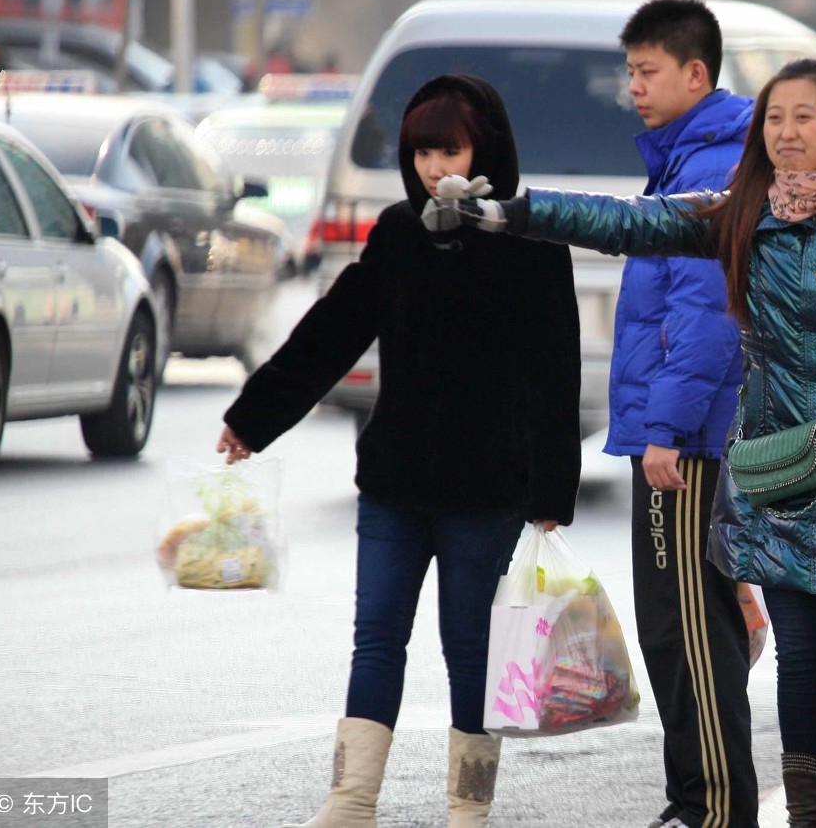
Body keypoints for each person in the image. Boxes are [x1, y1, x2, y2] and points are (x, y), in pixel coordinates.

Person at [424, 57, 816, 828]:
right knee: (803, 664)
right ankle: (811, 819)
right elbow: (625, 222)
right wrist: (506, 212)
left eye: (804, 116)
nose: (786, 132)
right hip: (786, 473)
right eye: (775, 118)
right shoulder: (744, 212)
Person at [216, 74, 581, 828]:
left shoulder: (532, 243)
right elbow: (332, 330)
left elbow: (557, 373)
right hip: (393, 481)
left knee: (470, 649)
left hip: (486, 490)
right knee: (377, 638)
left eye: (448, 150)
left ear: (486, 151)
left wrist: (551, 492)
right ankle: (351, 801)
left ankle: (467, 811)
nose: (432, 168)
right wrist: (254, 418)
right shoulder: (399, 233)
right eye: (420, 152)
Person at [612, 0, 757, 828]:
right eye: (630, 71)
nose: (634, 86)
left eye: (648, 71)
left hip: (690, 438)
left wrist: (665, 428)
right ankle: (693, 801)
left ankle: (714, 809)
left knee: (690, 628)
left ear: (696, 73)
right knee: (674, 625)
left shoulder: (712, 163)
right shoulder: (684, 158)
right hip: (674, 429)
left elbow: (707, 314)